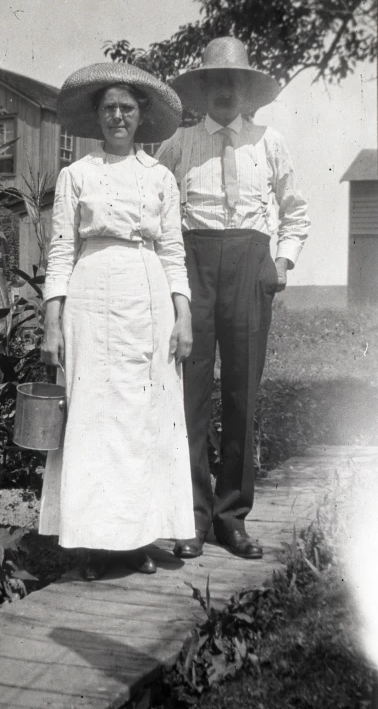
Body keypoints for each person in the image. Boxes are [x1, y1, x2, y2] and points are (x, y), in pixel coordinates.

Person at [39, 62, 195, 580]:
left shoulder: (161, 178)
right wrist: (52, 323)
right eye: (109, 108)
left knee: (143, 418)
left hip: (147, 296)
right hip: (91, 294)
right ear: (97, 116)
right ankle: (95, 543)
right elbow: (61, 251)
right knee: (94, 417)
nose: (118, 117)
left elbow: (173, 250)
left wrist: (183, 314)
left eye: (127, 108)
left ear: (142, 115)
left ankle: (137, 537)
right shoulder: (77, 175)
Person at [157, 37, 310, 560]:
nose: (225, 91)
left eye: (234, 82)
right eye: (215, 83)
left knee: (243, 390)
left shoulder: (270, 142)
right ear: (202, 91)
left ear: (246, 91)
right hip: (194, 264)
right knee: (189, 394)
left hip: (250, 265)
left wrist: (281, 263)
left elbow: (296, 211)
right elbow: (158, 211)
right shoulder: (178, 146)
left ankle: (231, 518)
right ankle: (192, 517)